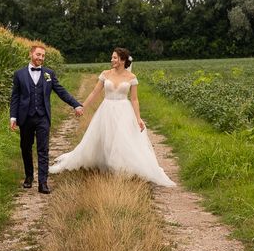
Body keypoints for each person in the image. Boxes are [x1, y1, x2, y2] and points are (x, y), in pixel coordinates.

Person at [49, 47, 175, 187]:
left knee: (121, 141)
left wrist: (138, 118)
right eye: (112, 57)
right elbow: (94, 93)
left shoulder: (131, 78)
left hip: (123, 111)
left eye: (115, 58)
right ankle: (105, 164)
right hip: (106, 109)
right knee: (105, 138)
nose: (112, 60)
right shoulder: (105, 74)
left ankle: (119, 169)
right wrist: (82, 106)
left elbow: (134, 100)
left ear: (122, 60)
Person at [10, 45, 84, 194]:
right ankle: (29, 176)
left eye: (43, 56)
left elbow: (61, 91)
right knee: (26, 147)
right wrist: (13, 116)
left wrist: (75, 104)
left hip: (43, 117)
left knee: (43, 149)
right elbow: (15, 97)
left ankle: (43, 183)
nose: (41, 58)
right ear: (31, 54)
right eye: (38, 55)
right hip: (25, 117)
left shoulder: (49, 73)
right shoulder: (19, 74)